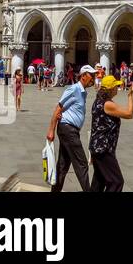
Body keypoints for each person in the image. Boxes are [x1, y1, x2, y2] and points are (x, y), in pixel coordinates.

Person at [47, 64, 98, 192]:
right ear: (83, 76)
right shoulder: (74, 89)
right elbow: (58, 108)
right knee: (81, 163)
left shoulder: (82, 92)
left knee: (63, 166)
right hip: (68, 129)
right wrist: (51, 130)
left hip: (71, 130)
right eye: (91, 75)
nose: (93, 78)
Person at [89, 74, 133, 192]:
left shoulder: (98, 101)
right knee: (116, 182)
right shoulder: (107, 104)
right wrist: (130, 96)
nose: (117, 88)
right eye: (115, 86)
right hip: (103, 149)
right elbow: (129, 114)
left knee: (99, 181)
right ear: (110, 89)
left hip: (97, 147)